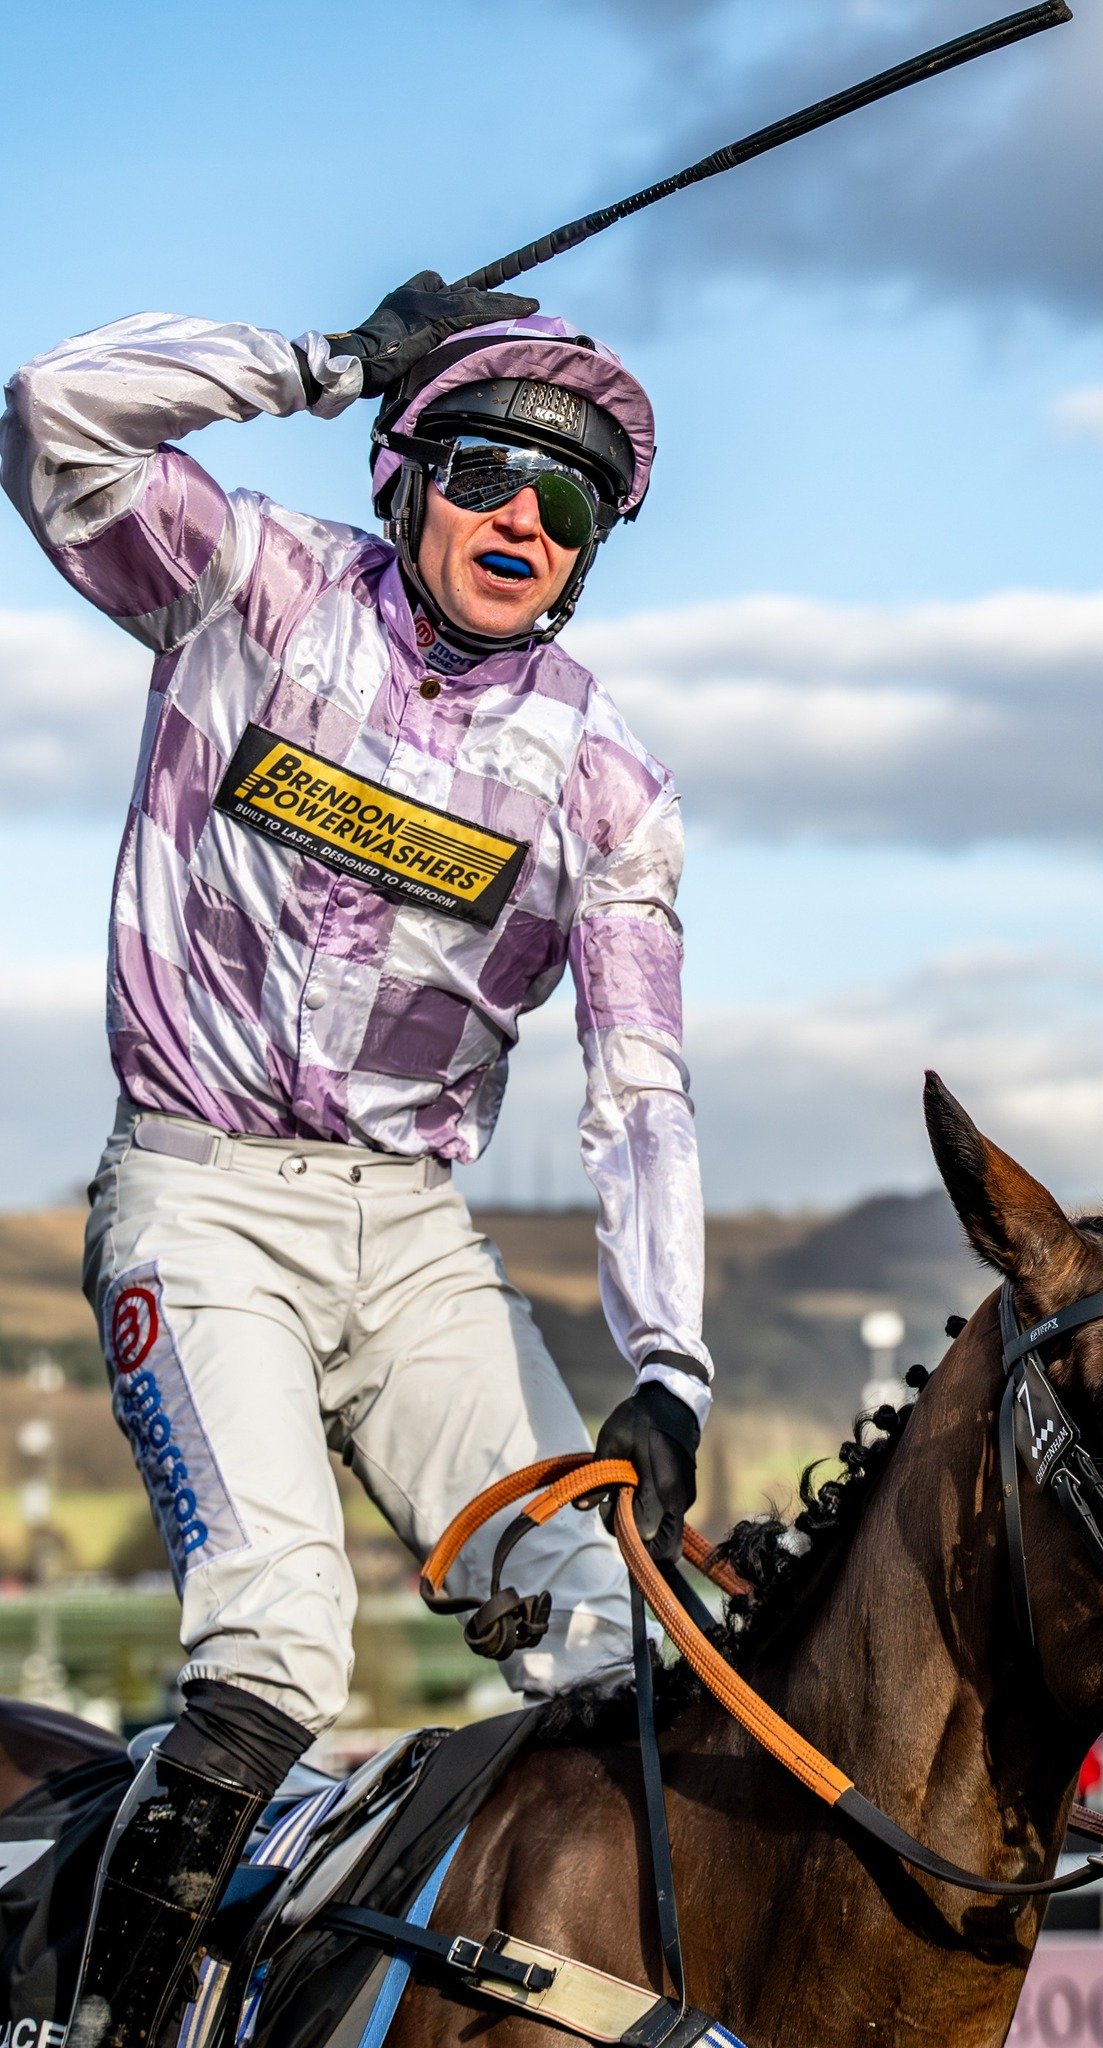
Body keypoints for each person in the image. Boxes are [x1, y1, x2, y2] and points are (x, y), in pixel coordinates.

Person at [1, 274, 712, 2048]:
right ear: (405, 477)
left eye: (570, 508)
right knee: (278, 1647)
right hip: (201, 1190)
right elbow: (49, 418)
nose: (522, 526)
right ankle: (84, 2027)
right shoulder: (248, 581)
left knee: (612, 1634)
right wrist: (318, 365)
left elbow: (639, 1082)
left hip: (409, 1238)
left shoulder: (606, 784)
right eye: (487, 475)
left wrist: (669, 1365)